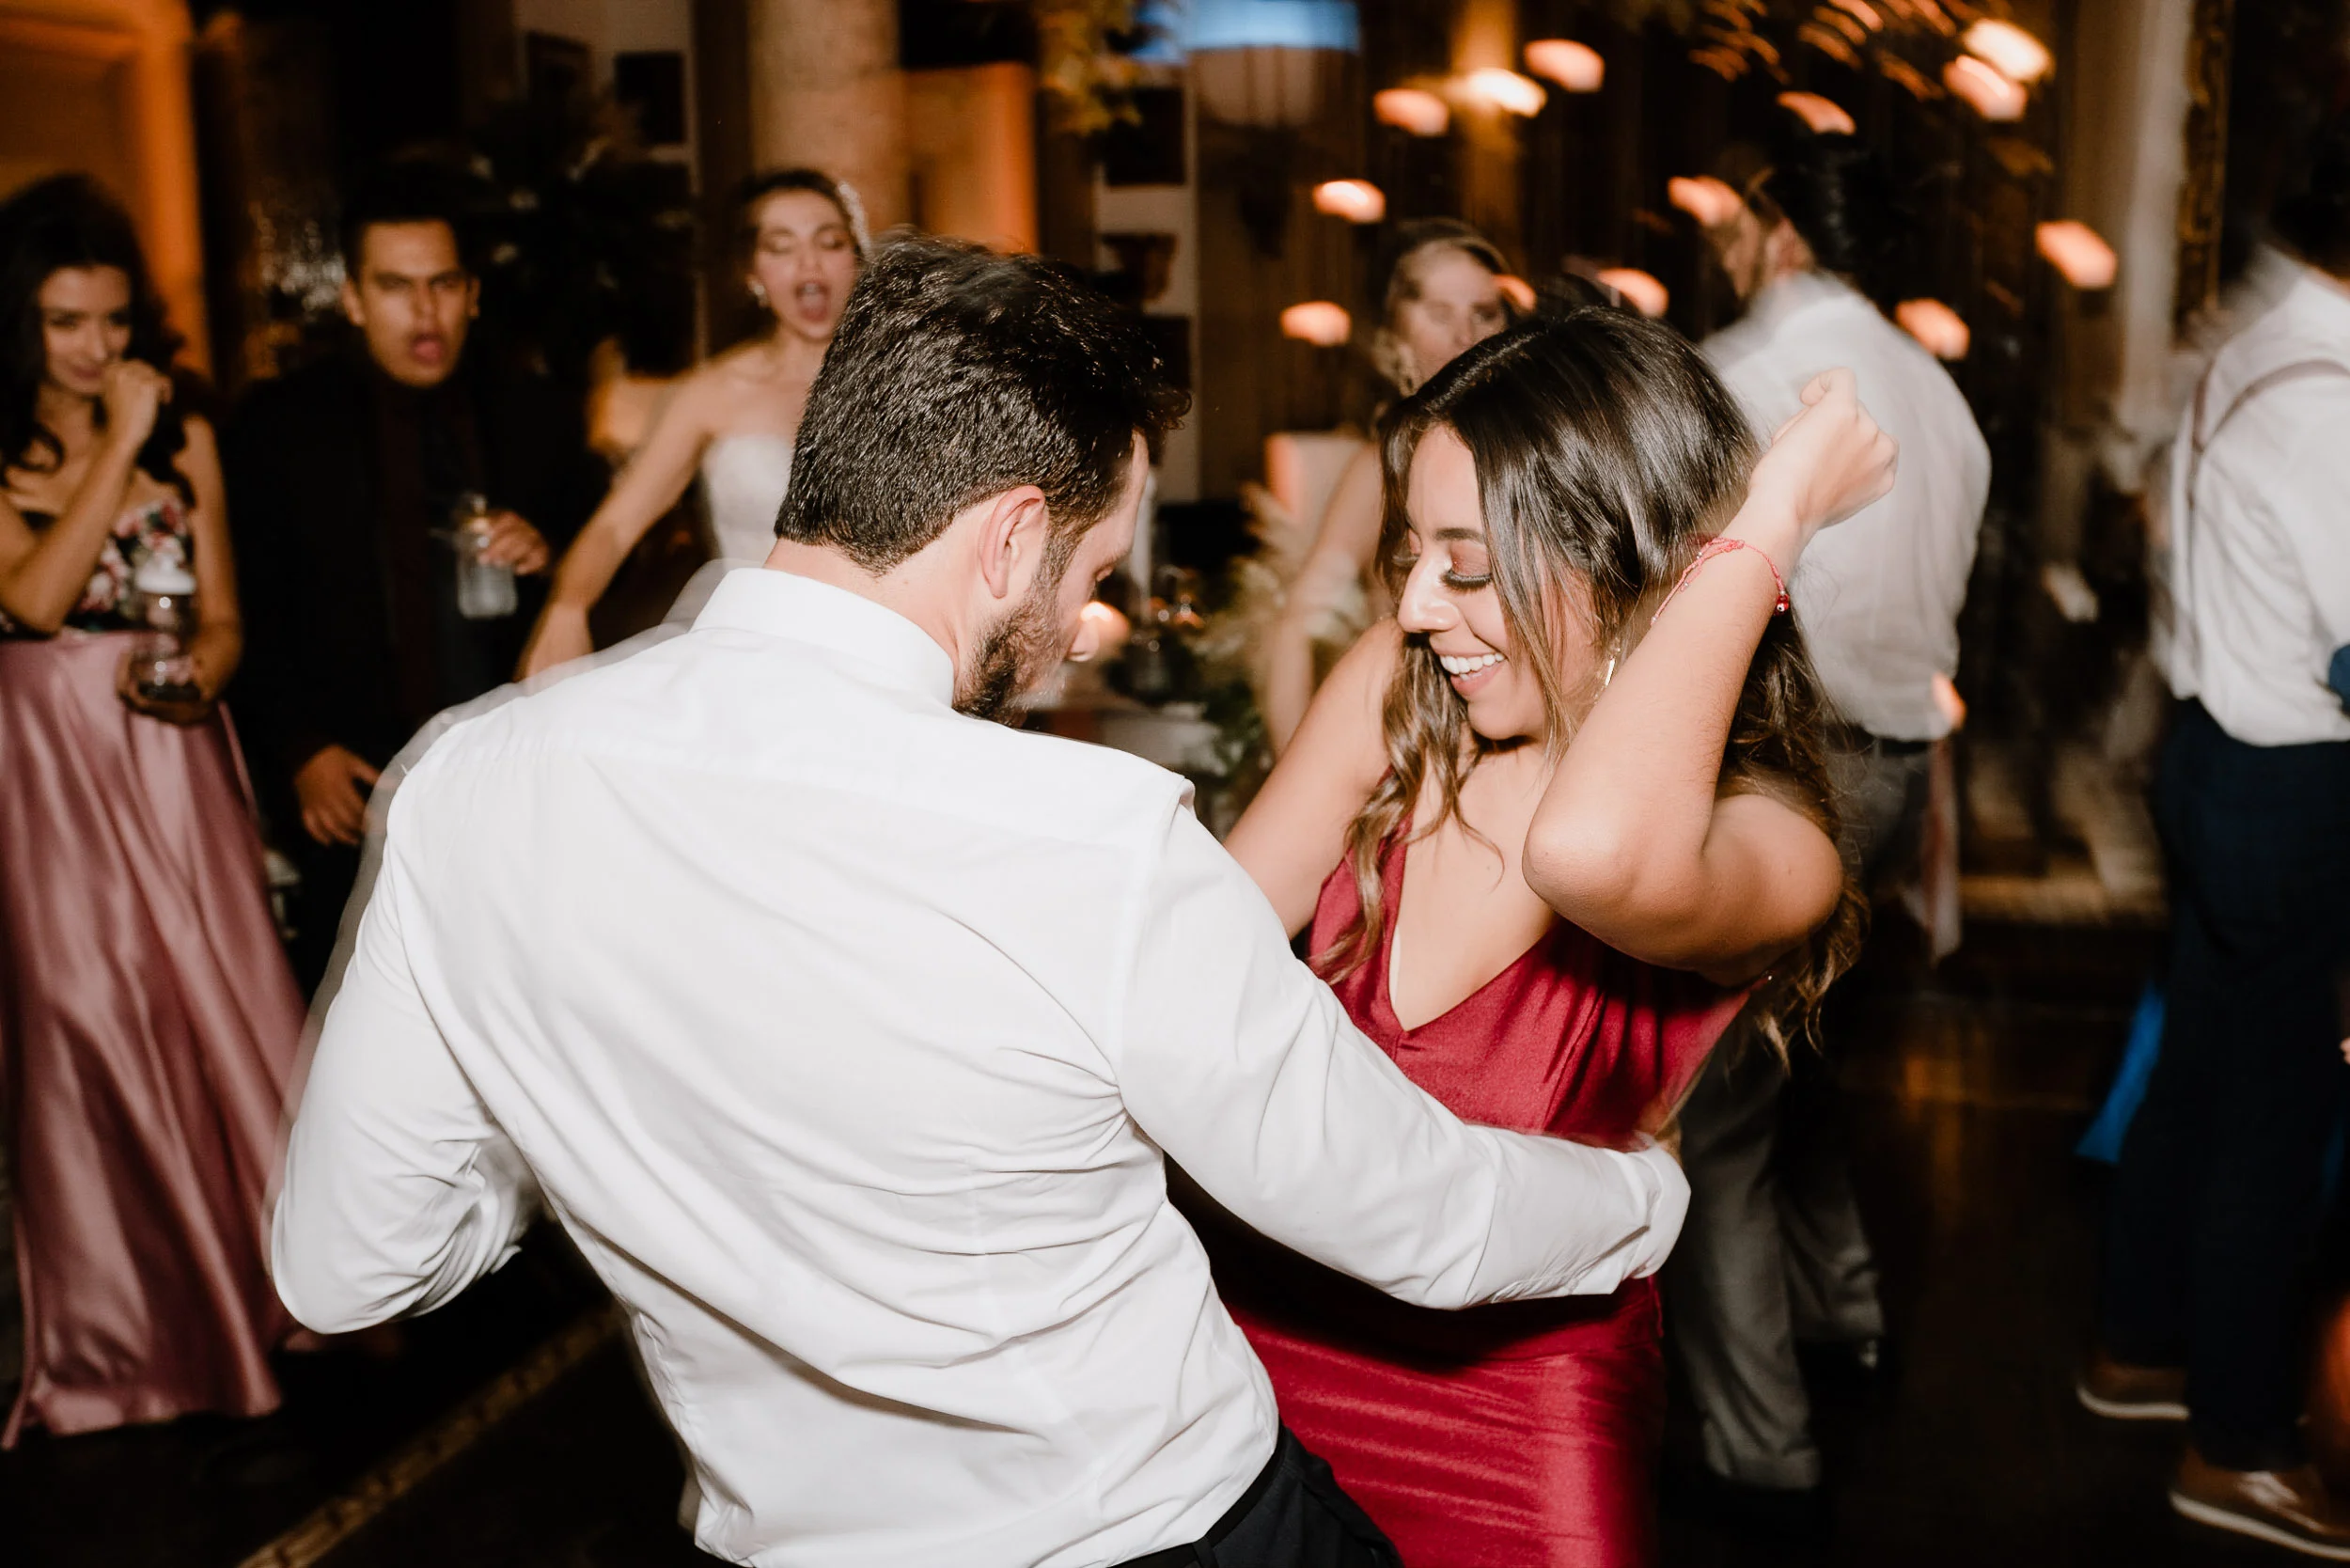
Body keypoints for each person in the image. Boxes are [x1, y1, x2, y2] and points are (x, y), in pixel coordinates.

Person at [266, 236, 1715, 1567]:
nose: (1082, 613)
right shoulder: (1087, 838)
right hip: (1152, 1532)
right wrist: (1640, 1198)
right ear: (1012, 538)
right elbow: (1417, 1219)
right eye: (1091, 566)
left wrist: (575, 1100)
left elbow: (344, 1267)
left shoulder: (468, 784)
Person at [1207, 311, 1889, 1566]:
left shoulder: (1768, 840)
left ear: (1625, 557)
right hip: (1254, 1353)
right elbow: (1194, 972)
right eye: (1413, 555)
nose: (1415, 605)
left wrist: (1769, 520)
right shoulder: (1396, 694)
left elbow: (1588, 855)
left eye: (1466, 566)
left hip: (1521, 1415)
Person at [1667, 124, 1990, 1513]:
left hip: (1787, 776)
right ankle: (1845, 1311)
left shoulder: (1735, 376)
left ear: (1780, 226)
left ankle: (1756, 1447)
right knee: (1811, 1071)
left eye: (1736, 215)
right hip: (1902, 772)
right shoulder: (1946, 399)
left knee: (1719, 1110)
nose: (1722, 236)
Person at [0, 175, 306, 1444]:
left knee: (215, 1011)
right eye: (68, 322)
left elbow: (228, 616)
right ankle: (123, 1326)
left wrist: (199, 683)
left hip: (174, 756)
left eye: (115, 320)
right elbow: (31, 599)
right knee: (87, 1021)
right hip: (50, 764)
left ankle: (268, 1292)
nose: (98, 347)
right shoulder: (22, 446)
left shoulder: (196, 438)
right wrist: (115, 443)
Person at [2083, 112, 2350, 1559]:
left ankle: (2137, 1346)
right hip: (2286, 785)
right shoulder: (2335, 400)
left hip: (2209, 754)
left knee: (2196, 1071)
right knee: (2277, 1117)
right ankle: (2237, 1443)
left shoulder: (2255, 337)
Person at [226, 161, 602, 993]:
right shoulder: (277, 427)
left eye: (441, 285)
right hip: (356, 781)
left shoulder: (537, 412)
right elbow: (251, 602)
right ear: (353, 298)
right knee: (361, 1013)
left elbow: (607, 556)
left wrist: (550, 548)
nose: (423, 313)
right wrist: (301, 751)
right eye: (396, 287)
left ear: (471, 293)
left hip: (515, 777)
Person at [516, 168, 867, 679]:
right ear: (752, 273)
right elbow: (618, 523)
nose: (810, 263)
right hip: (760, 662)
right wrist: (566, 607)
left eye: (830, 242)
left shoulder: (898, 381)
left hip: (881, 653)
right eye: (781, 246)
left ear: (854, 258)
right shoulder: (713, 393)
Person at [1259, 219, 1516, 753]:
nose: (1465, 336)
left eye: (1484, 313)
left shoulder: (1531, 455)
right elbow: (1296, 629)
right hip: (1429, 745)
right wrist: (1302, 781)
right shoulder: (1385, 466)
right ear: (1394, 337)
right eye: (1439, 314)